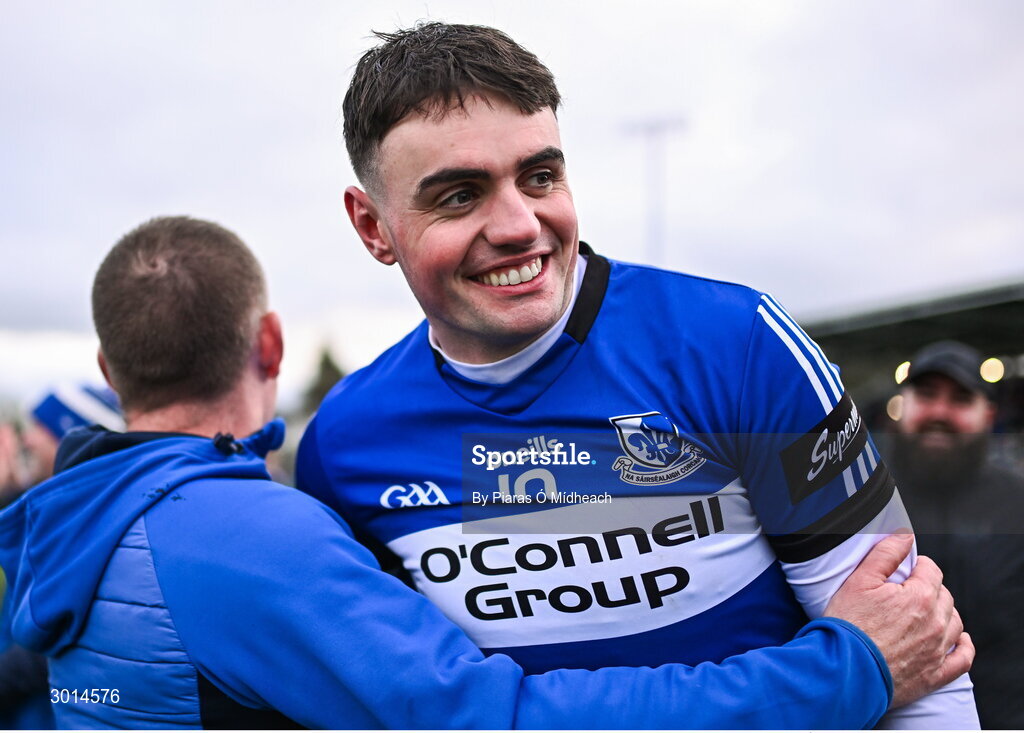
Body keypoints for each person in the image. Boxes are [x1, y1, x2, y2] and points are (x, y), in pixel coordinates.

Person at [0, 216, 972, 729]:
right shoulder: (255, 539)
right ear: (268, 341)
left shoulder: (63, 529)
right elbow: (487, 720)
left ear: (106, 370)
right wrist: (847, 668)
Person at [296, 22, 979, 729]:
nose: (519, 225)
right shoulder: (344, 446)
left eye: (540, 176)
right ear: (373, 226)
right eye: (460, 195)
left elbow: (918, 656)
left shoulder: (739, 343)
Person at [887, 340, 1024, 729]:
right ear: (903, 405)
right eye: (926, 395)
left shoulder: (1018, 503)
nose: (940, 412)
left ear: (989, 414)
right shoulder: (857, 500)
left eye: (961, 399)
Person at [0, 383, 122, 730]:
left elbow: (45, 646)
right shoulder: (59, 513)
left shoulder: (86, 525)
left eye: (39, 428)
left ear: (68, 434)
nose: (28, 440)